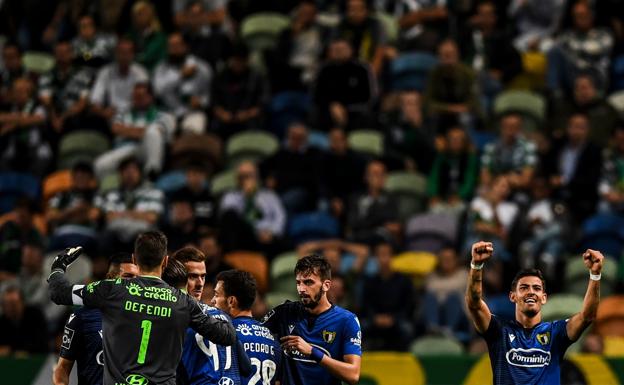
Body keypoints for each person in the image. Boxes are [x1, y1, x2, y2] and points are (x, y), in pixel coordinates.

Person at [47, 231, 238, 385]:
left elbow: (58, 292)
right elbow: (227, 336)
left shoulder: (112, 290)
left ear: (135, 260)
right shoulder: (183, 302)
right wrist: (209, 308)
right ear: (164, 261)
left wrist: (58, 266)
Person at [465, 241, 604, 385]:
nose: (531, 291)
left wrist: (595, 275)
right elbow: (474, 304)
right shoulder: (499, 331)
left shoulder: (556, 333)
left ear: (544, 298)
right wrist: (476, 265)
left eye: (537, 288)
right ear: (513, 296)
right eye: (524, 287)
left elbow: (587, 316)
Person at [261, 254, 361, 385]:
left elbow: (353, 375)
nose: (301, 289)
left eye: (308, 282)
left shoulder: (347, 320)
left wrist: (312, 352)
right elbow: (253, 333)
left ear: (326, 285)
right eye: (298, 282)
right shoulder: (284, 312)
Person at [53, 252, 140, 385]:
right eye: (127, 277)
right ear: (110, 278)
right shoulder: (82, 317)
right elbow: (62, 368)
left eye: (137, 278)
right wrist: (58, 268)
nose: (133, 284)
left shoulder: (148, 314)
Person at [170, 246, 251, 385]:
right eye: (193, 276)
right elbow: (246, 368)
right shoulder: (223, 316)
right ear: (179, 276)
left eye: (203, 276)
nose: (200, 284)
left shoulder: (175, 316)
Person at [213, 269, 282, 385]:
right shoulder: (273, 339)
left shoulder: (222, 334)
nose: (212, 301)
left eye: (216, 295)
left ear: (231, 301)